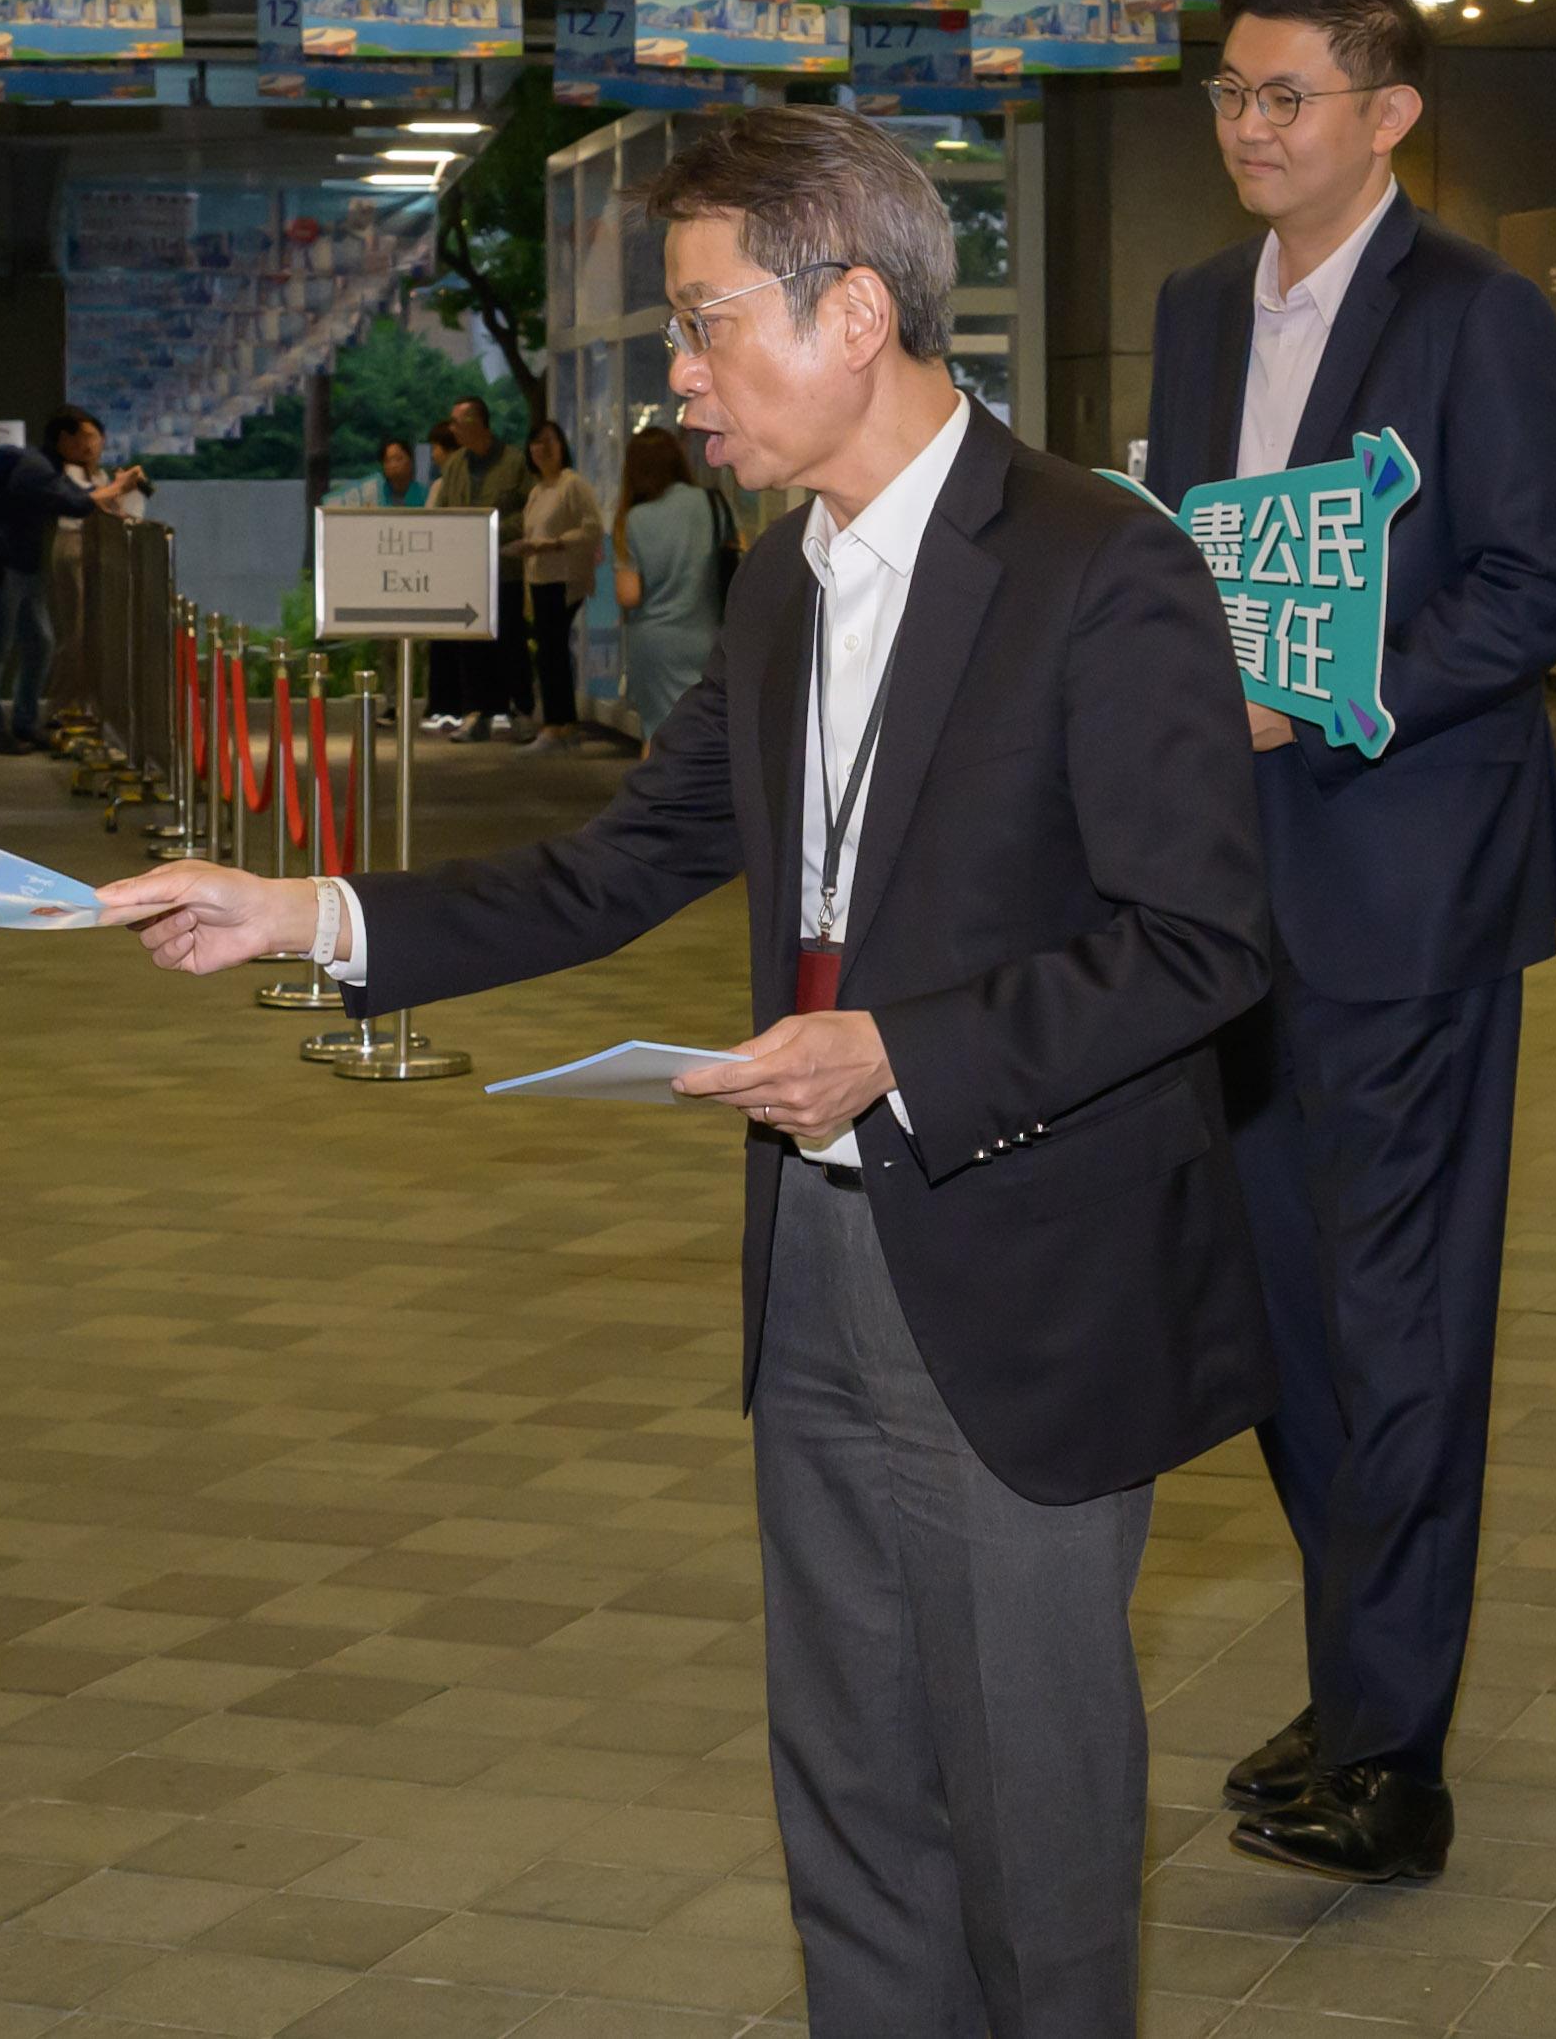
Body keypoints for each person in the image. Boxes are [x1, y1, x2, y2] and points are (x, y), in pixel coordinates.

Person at [103, 105, 1276, 2039]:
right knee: (852, 1790)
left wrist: (902, 1050)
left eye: (709, 323)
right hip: (812, 1260)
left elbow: (1203, 940)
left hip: (1021, 1265)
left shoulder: (1096, 564)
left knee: (1034, 1814)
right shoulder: (778, 583)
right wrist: (301, 912)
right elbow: (617, 868)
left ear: (860, 314)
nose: (684, 375)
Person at [1143, 0, 1556, 1887]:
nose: (1248, 128)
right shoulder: (1185, 312)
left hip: (1407, 891)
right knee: (1280, 1320)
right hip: (1226, 897)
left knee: (1397, 1314)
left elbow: (1537, 581)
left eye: (1285, 98)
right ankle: (1362, 1682)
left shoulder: (1472, 316)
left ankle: (1390, 1754)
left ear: (1386, 114)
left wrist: (1326, 686)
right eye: (1230, 95)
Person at [0, 409, 141, 755]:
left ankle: (26, 722)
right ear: (65, 439)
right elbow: (74, 503)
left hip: (23, 566)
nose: (89, 444)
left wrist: (112, 488)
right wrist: (118, 487)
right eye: (83, 437)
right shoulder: (35, 468)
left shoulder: (45, 466)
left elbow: (81, 497)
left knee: (40, 643)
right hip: (0, 565)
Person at [428, 399, 537, 737]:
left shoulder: (514, 462)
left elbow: (529, 512)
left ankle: (520, 710)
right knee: (469, 642)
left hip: (504, 568)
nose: (452, 429)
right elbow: (445, 509)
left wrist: (490, 527)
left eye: (457, 422)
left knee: (510, 641)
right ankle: (474, 712)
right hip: (466, 571)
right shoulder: (456, 464)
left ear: (477, 422)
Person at [611, 425, 724, 740]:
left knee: (660, 736)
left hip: (655, 645)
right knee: (703, 734)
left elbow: (629, 594)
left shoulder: (636, 519)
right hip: (706, 636)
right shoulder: (712, 504)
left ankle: (651, 790)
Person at [511, 419, 608, 753]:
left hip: (564, 579)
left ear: (562, 446)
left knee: (553, 652)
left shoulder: (572, 485)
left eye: (549, 442)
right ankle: (559, 723)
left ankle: (558, 724)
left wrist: (554, 543)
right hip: (539, 578)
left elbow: (593, 528)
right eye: (536, 443)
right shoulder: (537, 491)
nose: (542, 450)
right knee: (549, 652)